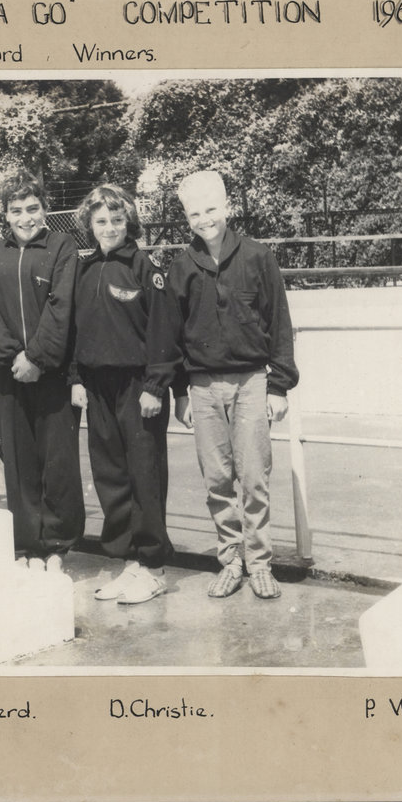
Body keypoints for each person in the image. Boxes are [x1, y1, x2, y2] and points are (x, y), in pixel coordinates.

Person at [168, 170, 299, 599]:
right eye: (195, 213)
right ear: (186, 218)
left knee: (254, 477)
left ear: (226, 208)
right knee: (217, 480)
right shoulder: (182, 266)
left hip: (251, 383)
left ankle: (260, 563)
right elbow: (172, 334)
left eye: (211, 209)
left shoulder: (259, 257)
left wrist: (278, 387)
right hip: (202, 388)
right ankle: (231, 559)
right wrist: (180, 393)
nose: (204, 219)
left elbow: (279, 324)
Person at [0, 169, 85, 571]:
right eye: (16, 210)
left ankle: (56, 546)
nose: (26, 218)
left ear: (45, 208)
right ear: (5, 214)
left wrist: (36, 358)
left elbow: (62, 308)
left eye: (33, 208)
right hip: (9, 378)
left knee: (58, 465)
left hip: (52, 374)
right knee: (19, 465)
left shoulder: (61, 247)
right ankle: (27, 547)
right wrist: (13, 360)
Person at [70, 185, 176, 604]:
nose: (109, 228)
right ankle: (128, 564)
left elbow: (163, 332)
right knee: (111, 477)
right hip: (97, 387)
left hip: (138, 387)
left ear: (127, 221)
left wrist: (155, 386)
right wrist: (77, 379)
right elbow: (76, 331)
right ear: (89, 226)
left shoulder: (144, 266)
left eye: (116, 220)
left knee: (144, 475)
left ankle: (153, 567)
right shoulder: (84, 270)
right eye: (100, 221)